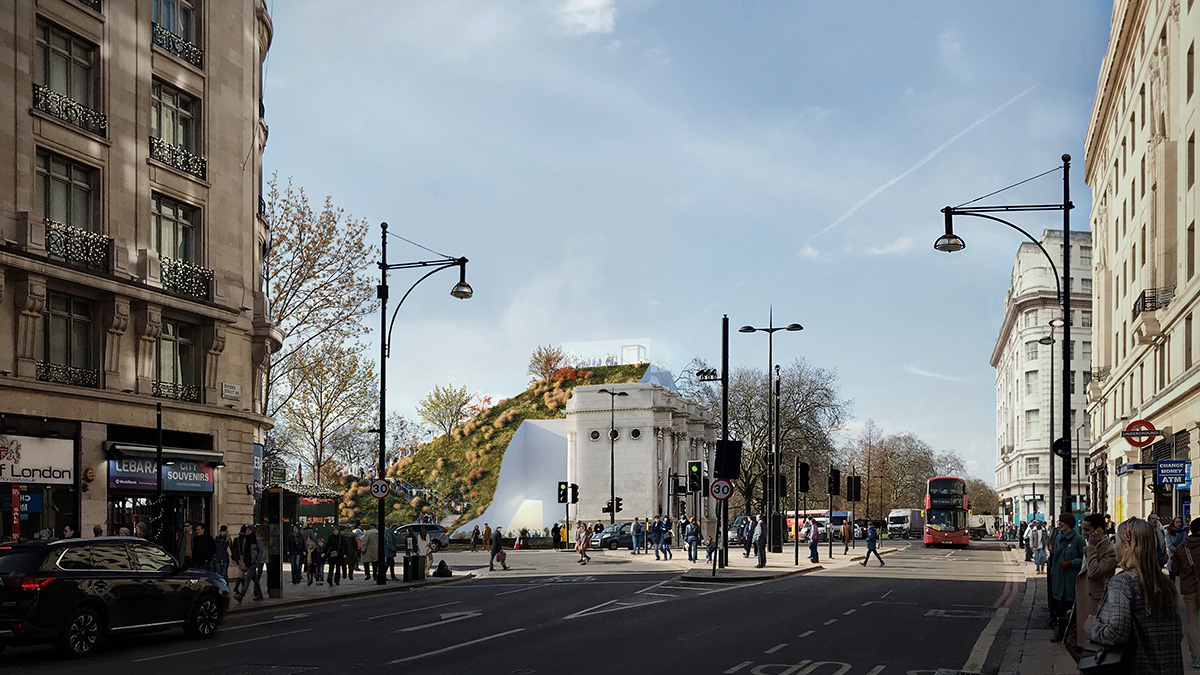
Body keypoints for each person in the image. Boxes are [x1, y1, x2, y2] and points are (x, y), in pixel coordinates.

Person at [1085, 517, 1184, 674]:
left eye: (1116, 541)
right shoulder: (1165, 583)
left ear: (1127, 546)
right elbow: (1177, 633)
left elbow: (1117, 633)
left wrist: (1091, 626)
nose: (1113, 547)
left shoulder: (1123, 582)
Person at [1074, 514, 1118, 653]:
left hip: (1097, 605)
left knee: (1093, 650)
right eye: (1083, 529)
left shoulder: (1110, 550)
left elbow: (1094, 573)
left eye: (1087, 530)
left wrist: (1092, 548)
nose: (1083, 533)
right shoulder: (1089, 546)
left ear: (1099, 530)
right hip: (1084, 601)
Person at [1048, 513, 1085, 642]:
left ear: (1069, 523)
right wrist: (1053, 574)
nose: (1059, 524)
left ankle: (1071, 635)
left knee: (1070, 607)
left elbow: (1085, 560)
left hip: (1070, 579)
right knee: (1060, 607)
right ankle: (1061, 632)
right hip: (1059, 578)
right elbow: (1055, 558)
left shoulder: (1078, 539)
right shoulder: (1058, 538)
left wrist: (1071, 563)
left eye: (1062, 521)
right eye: (1059, 521)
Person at [1170, 517, 1200, 669]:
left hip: (1189, 588)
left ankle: (1196, 657)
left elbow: (1174, 569)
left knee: (1192, 622)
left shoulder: (1182, 547)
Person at [235, 524, 265, 602]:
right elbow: (244, 550)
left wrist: (257, 561)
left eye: (249, 530)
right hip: (248, 562)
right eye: (247, 530)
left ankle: (241, 595)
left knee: (247, 579)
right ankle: (260, 594)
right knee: (255, 579)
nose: (247, 531)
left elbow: (261, 551)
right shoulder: (245, 540)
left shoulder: (256, 540)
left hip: (253, 562)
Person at [231, 525, 246, 594]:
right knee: (242, 573)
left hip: (238, 559)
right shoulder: (246, 539)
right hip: (244, 558)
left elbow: (233, 550)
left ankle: (241, 587)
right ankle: (237, 587)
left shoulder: (236, 539)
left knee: (241, 572)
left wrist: (234, 558)